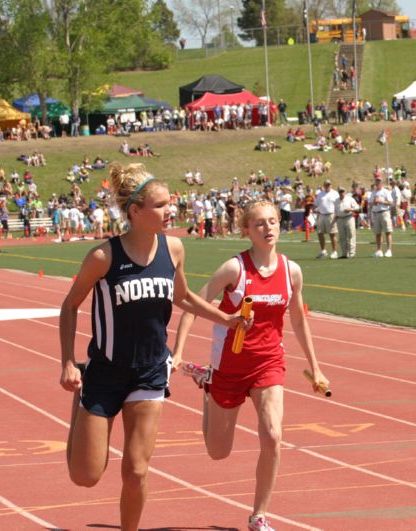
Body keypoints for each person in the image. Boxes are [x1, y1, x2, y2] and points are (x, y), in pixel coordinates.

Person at [59, 162, 245, 531]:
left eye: (169, 203)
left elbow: (183, 297)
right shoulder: (104, 258)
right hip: (106, 372)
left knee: (137, 470)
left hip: (149, 371)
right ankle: (79, 407)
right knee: (87, 476)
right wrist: (67, 361)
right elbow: (69, 305)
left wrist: (226, 318)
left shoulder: (173, 249)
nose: (169, 210)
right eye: (160, 205)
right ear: (135, 211)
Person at [174, 200, 328, 531]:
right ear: (246, 230)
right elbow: (192, 305)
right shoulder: (234, 269)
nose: (269, 228)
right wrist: (178, 352)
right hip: (229, 368)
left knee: (273, 435)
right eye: (260, 224)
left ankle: (258, 515)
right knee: (218, 452)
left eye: (273, 222)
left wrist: (316, 368)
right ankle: (207, 385)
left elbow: (299, 321)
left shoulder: (292, 271)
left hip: (269, 364)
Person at [368, 176, 393, 257]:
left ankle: (389, 250)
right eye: (376, 182)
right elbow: (370, 203)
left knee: (387, 231)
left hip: (384, 212)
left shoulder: (386, 191)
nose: (378, 183)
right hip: (375, 213)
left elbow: (390, 202)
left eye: (379, 182)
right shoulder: (373, 192)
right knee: (378, 233)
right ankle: (379, 250)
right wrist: (373, 203)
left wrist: (381, 201)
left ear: (381, 183)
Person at [314, 179, 338, 259]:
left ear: (331, 185)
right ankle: (323, 251)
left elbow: (338, 204)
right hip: (321, 215)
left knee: (332, 233)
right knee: (320, 233)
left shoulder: (335, 193)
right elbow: (316, 204)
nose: (327, 186)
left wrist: (336, 214)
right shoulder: (320, 194)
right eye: (326, 184)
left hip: (331, 214)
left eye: (329, 184)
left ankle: (334, 251)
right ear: (324, 185)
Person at [335, 186, 360, 258]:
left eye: (343, 191)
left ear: (345, 192)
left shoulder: (350, 199)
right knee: (342, 237)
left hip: (349, 218)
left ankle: (352, 254)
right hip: (340, 219)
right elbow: (336, 211)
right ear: (338, 192)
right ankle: (344, 254)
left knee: (351, 236)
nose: (342, 193)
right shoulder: (336, 201)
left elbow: (357, 208)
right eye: (340, 192)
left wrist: (351, 209)